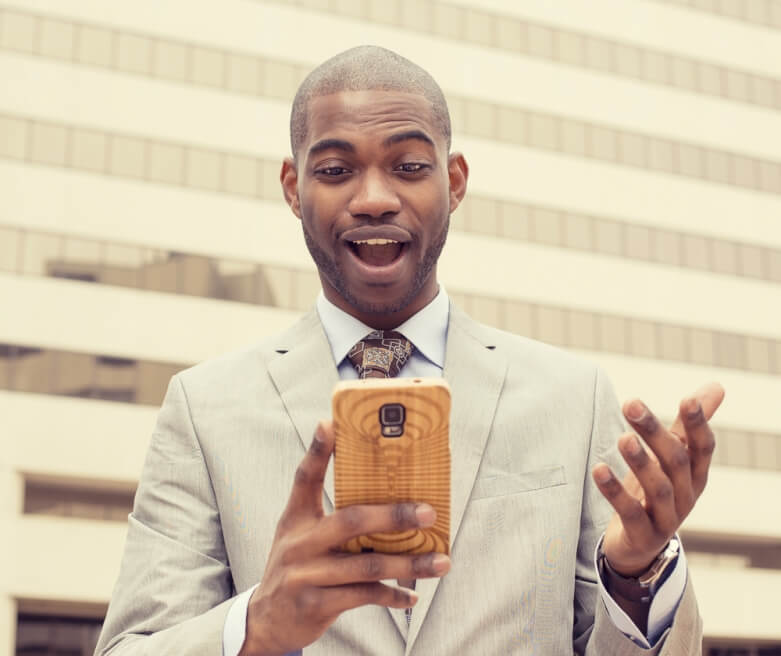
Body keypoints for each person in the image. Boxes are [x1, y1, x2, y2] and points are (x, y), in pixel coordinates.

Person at [95, 46, 723, 656]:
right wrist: (253, 627)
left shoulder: (575, 398)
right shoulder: (203, 409)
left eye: (409, 166)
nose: (373, 198)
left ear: (454, 182)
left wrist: (637, 575)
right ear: (293, 187)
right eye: (336, 170)